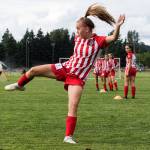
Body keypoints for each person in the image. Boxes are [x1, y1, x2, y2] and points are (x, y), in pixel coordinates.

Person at [4, 3, 125, 144]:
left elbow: (113, 38)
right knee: (34, 70)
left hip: (77, 78)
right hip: (65, 68)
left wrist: (117, 27)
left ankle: (68, 137)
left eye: (78, 29)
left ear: (86, 29)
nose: (76, 31)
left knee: (72, 106)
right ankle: (19, 85)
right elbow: (82, 23)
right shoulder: (78, 37)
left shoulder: (98, 41)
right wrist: (83, 18)